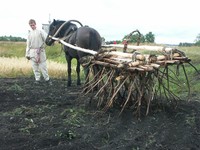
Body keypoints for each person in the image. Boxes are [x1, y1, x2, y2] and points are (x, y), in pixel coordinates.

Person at [25, 19, 52, 85]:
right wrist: (27, 54)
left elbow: (46, 39)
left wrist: (51, 41)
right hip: (32, 52)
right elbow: (28, 45)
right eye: (31, 25)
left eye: (33, 25)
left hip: (40, 51)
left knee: (43, 66)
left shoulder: (40, 31)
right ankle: (37, 79)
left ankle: (47, 79)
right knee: (35, 67)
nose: (32, 26)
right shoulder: (29, 34)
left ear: (35, 24)